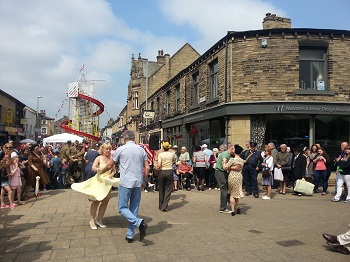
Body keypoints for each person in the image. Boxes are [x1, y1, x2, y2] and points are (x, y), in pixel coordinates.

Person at [100, 130, 149, 243]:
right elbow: (147, 167)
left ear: (125, 138)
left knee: (122, 208)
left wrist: (101, 171)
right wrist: (144, 181)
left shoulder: (120, 149)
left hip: (126, 182)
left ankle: (139, 223)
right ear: (134, 138)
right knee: (134, 208)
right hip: (137, 182)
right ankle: (130, 235)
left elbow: (110, 165)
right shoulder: (141, 150)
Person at [71, 142, 119, 230]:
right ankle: (92, 220)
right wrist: (98, 169)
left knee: (105, 201)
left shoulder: (112, 158)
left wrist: (112, 174)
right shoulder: (99, 158)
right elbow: (93, 167)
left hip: (107, 182)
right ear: (103, 150)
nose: (108, 150)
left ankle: (99, 220)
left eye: (109, 149)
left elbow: (113, 169)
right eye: (106, 149)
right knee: (96, 200)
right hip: (99, 181)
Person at [223, 145, 244, 215]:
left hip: (232, 176)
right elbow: (240, 168)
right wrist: (234, 167)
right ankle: (238, 207)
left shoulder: (232, 159)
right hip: (239, 176)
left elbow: (225, 167)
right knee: (237, 193)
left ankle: (232, 210)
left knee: (232, 194)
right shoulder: (241, 160)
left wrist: (224, 161)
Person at [214, 144, 234, 213]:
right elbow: (224, 166)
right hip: (220, 172)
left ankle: (229, 201)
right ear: (231, 149)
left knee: (226, 188)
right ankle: (223, 208)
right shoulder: (225, 155)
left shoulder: (227, 154)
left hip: (222, 172)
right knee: (224, 189)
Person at [157, 141, 176, 210]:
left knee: (161, 188)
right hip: (169, 171)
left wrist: (158, 168)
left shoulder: (160, 154)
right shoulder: (172, 154)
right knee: (168, 188)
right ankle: (164, 205)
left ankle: (160, 205)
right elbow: (174, 161)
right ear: (168, 147)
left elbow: (159, 165)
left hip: (162, 171)